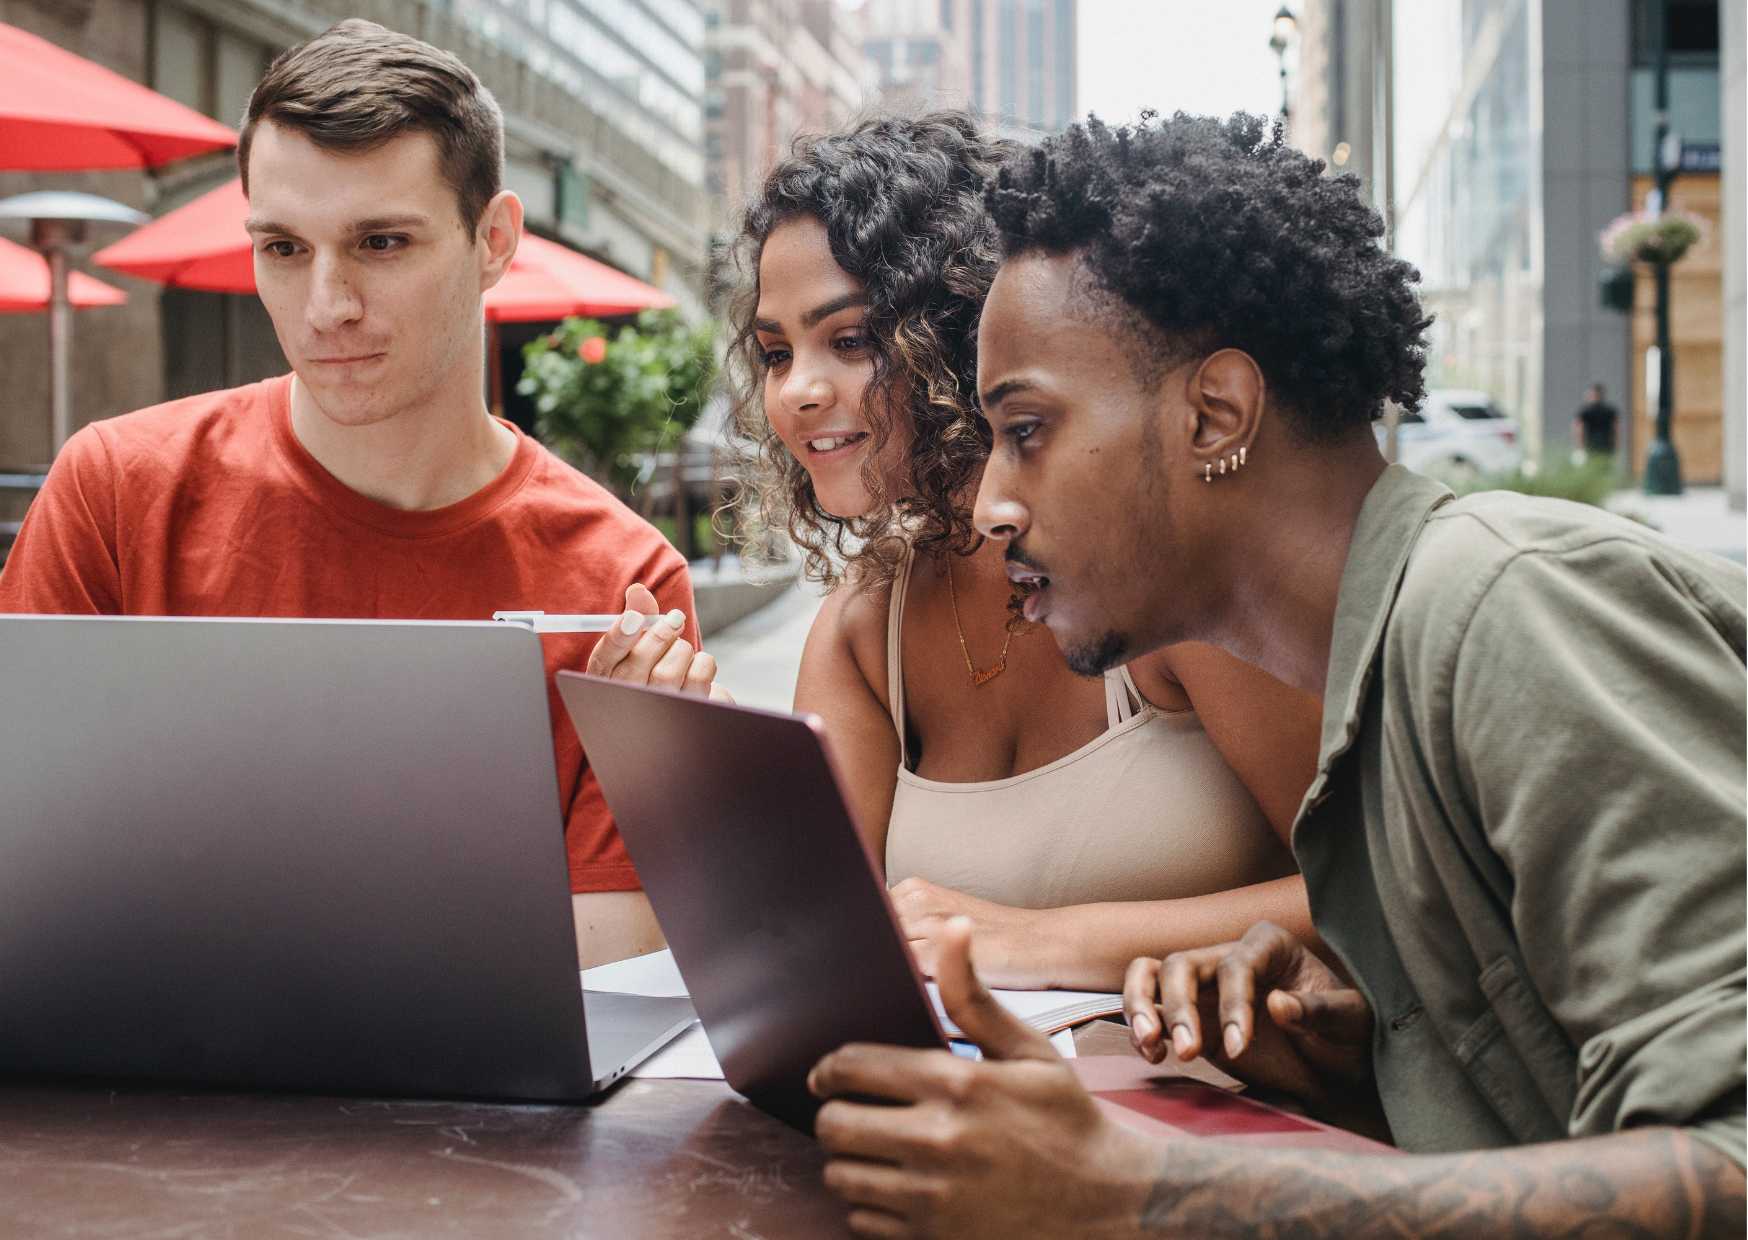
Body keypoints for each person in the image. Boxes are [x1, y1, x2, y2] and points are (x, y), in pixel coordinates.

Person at [808, 113, 1746, 1236]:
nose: (991, 501)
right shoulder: (1373, 705)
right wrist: (1367, 1063)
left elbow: (1727, 1162)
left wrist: (1146, 1193)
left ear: (1215, 414)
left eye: (1025, 428)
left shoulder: (1499, 603)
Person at [0, 19, 702, 968]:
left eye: (380, 242)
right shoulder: (116, 493)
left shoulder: (622, 579)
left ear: (493, 241)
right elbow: (27, 870)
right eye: (283, 249)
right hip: (136, 1100)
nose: (327, 305)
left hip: (471, 1114)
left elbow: (617, 955)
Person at [696, 111, 1323, 992]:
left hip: (1216, 1112)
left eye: (849, 341)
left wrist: (1041, 942)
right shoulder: (862, 628)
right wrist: (685, 767)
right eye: (773, 352)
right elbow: (804, 944)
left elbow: (1384, 894)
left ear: (958, 329)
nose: (796, 392)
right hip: (971, 1113)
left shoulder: (1163, 580)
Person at [1574, 382, 1621, 458]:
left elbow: (1579, 430)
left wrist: (1580, 447)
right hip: (1603, 445)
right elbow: (1617, 430)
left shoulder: (1585, 412)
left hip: (1595, 445)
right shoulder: (1610, 411)